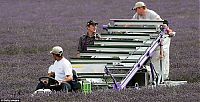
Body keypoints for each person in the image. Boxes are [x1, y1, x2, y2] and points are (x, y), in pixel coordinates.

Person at [132, 1, 175, 81]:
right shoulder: (137, 15)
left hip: (154, 37)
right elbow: (131, 23)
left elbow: (162, 23)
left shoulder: (151, 14)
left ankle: (158, 77)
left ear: (142, 8)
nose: (136, 11)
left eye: (137, 9)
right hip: (144, 37)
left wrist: (168, 31)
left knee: (156, 59)